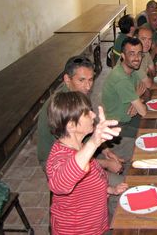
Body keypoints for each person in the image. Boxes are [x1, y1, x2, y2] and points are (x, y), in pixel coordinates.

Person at [46, 91, 128, 235]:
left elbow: (92, 182)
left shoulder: (80, 147)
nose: (93, 115)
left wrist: (111, 190)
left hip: (98, 226)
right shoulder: (59, 156)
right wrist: (93, 142)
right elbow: (59, 185)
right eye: (87, 113)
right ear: (71, 125)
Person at [37, 56, 124, 175]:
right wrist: (106, 164)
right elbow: (70, 157)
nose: (88, 86)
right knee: (119, 184)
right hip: (61, 167)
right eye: (81, 80)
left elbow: (91, 130)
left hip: (82, 150)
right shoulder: (60, 108)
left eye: (90, 80)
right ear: (67, 79)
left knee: (129, 152)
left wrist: (106, 151)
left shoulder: (78, 97)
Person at [102, 37, 147, 141]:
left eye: (139, 53)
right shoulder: (121, 77)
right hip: (118, 127)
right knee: (153, 133)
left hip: (130, 117)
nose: (137, 58)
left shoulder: (131, 69)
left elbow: (143, 89)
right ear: (122, 55)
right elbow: (143, 111)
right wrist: (137, 100)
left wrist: (135, 102)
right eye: (132, 54)